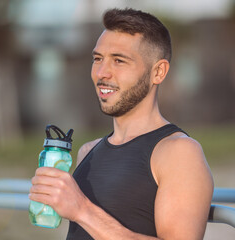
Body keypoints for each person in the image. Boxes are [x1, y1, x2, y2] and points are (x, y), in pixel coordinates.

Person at [29, 8, 214, 240]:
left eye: (119, 60)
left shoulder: (179, 152)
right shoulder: (88, 151)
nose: (102, 72)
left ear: (158, 72)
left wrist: (82, 209)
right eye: (98, 59)